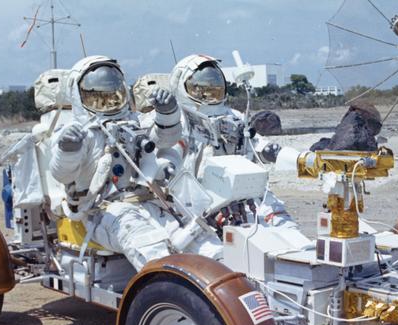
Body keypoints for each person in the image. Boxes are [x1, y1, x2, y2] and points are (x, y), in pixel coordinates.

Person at [49, 55, 221, 271]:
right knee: (150, 245)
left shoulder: (136, 122)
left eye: (114, 93)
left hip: (151, 201)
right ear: (79, 95)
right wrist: (68, 150)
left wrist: (167, 113)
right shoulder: (79, 134)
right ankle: (168, 292)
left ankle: (226, 283)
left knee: (201, 236)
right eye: (100, 96)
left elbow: (165, 139)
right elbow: (62, 175)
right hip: (102, 211)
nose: (109, 99)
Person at [168, 54, 297, 228]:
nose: (210, 93)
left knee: (275, 212)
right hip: (198, 195)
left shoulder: (233, 116)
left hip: (239, 188)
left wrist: (295, 158)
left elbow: (257, 145)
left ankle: (293, 243)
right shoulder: (177, 122)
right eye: (202, 88)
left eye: (214, 87)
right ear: (183, 87)